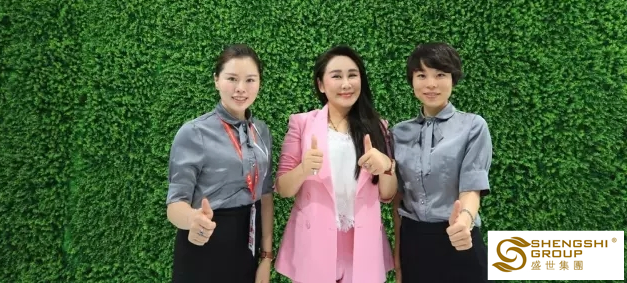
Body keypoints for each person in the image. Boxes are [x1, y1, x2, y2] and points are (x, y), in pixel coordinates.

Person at [274, 45, 396, 283]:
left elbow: (387, 194)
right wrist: (304, 169)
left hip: (363, 244)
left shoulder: (378, 127)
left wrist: (387, 166)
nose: (346, 84)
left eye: (352, 75)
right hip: (314, 243)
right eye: (337, 76)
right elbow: (283, 188)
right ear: (321, 84)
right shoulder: (301, 124)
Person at [165, 44, 274, 283]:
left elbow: (265, 195)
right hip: (204, 244)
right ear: (216, 80)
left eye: (250, 80)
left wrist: (266, 256)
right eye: (232, 78)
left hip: (248, 245)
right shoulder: (194, 132)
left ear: (259, 83)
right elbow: (174, 205)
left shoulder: (261, 131)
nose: (241, 88)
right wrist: (192, 219)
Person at [391, 42, 493, 283]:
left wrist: (464, 221)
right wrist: (398, 254)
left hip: (459, 238)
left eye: (440, 75)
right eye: (421, 75)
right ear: (412, 81)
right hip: (414, 244)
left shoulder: (473, 127)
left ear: (453, 79)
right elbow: (397, 200)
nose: (431, 84)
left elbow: (472, 187)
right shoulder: (398, 133)